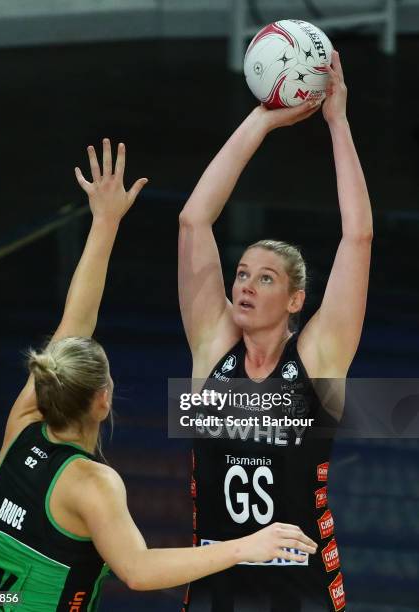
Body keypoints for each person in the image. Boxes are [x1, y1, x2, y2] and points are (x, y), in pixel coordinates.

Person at [0, 140, 318, 611]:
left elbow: (75, 323)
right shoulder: (92, 484)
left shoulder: (23, 426)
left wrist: (105, 222)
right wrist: (246, 546)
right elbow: (138, 570)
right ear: (102, 401)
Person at [178, 51, 372, 611]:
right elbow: (194, 220)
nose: (244, 285)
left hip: (300, 590)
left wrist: (338, 123)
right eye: (241, 274)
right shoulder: (212, 348)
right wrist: (262, 118)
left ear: (294, 301)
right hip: (218, 585)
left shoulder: (316, 358)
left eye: (264, 279)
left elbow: (356, 239)